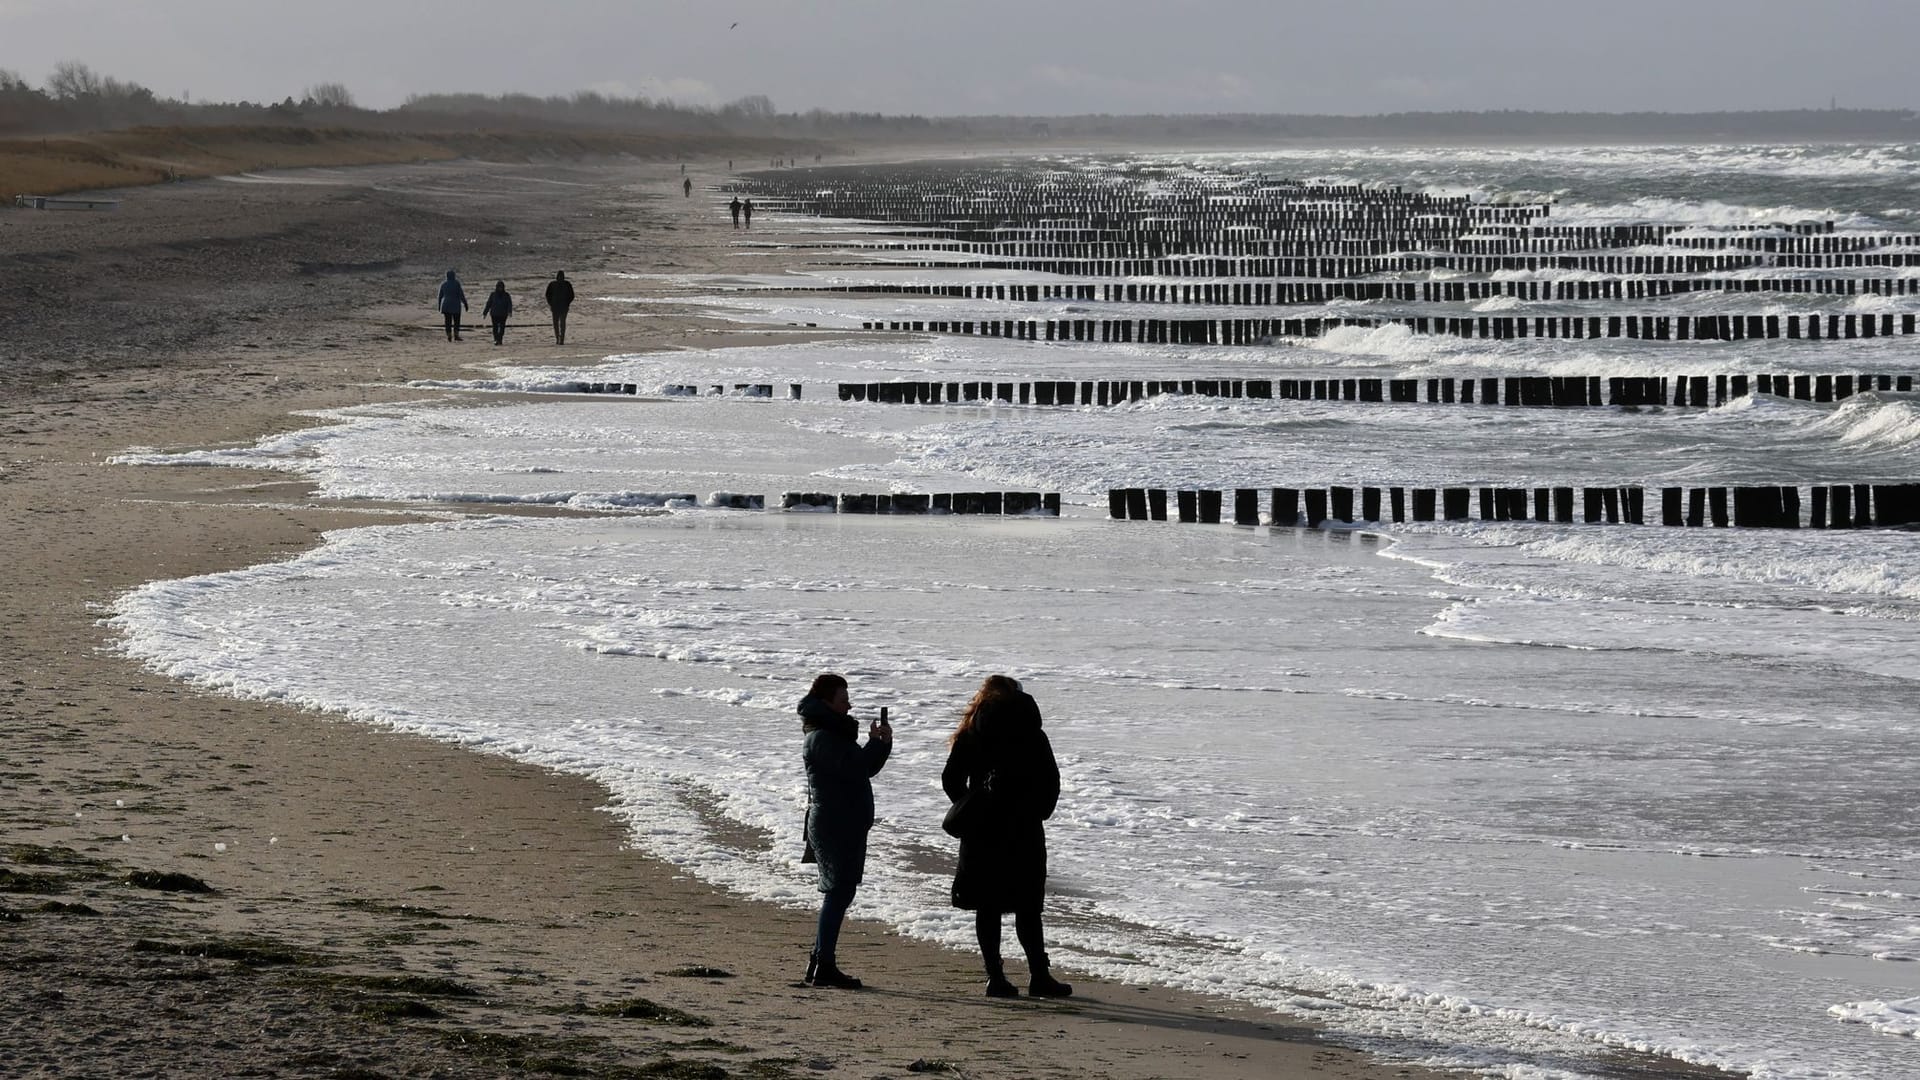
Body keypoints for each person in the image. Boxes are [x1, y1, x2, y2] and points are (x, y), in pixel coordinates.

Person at [942, 675, 1071, 999]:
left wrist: (971, 804)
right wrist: (1036, 810)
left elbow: (951, 779)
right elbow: (1050, 782)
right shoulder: (1032, 734)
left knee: (988, 907)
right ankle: (1039, 976)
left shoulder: (972, 732)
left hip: (982, 831)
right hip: (1023, 830)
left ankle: (995, 977)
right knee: (1028, 908)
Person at [799, 672, 891, 989]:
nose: (849, 704)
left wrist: (880, 744)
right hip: (834, 824)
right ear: (827, 702)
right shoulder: (823, 737)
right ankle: (823, 964)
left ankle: (819, 961)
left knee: (840, 891)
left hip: (841, 822)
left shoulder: (832, 733)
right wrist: (876, 744)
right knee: (838, 892)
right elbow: (857, 768)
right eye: (843, 699)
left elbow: (862, 769)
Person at [436, 270, 467, 341]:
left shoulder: (443, 284)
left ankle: (449, 335)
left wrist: (439, 305)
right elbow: (461, 295)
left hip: (446, 305)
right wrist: (465, 303)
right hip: (456, 305)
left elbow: (440, 296)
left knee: (447, 321)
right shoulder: (456, 284)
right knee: (456, 321)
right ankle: (456, 335)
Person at [544, 271, 574, 345]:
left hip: (563, 306)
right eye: (559, 276)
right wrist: (551, 303)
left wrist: (567, 303)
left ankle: (562, 339)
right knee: (556, 324)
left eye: (561, 276)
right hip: (555, 307)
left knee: (562, 323)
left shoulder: (567, 284)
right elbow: (547, 295)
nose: (560, 278)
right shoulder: (552, 284)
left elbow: (572, 295)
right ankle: (557, 338)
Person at [481, 280, 512, 346]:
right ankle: (496, 339)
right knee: (495, 328)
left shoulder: (506, 295)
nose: (500, 288)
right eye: (499, 287)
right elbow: (488, 304)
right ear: (497, 287)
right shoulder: (493, 295)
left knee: (502, 328)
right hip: (494, 314)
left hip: (503, 314)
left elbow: (509, 304)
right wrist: (485, 313)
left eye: (501, 287)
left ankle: (500, 339)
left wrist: (509, 311)